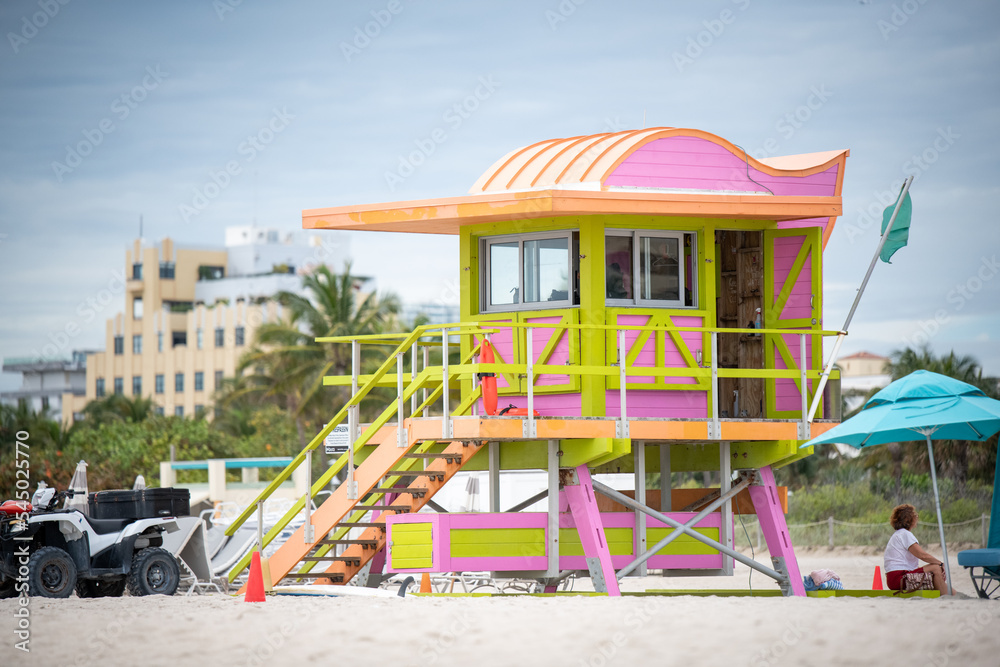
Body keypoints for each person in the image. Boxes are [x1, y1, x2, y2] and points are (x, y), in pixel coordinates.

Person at [883, 503, 947, 593]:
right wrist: (941, 564)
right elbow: (922, 555)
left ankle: (950, 593)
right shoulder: (905, 534)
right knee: (936, 568)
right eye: (915, 515)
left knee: (933, 570)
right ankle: (946, 595)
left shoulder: (898, 534)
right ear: (908, 519)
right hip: (899, 578)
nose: (917, 517)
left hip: (894, 578)